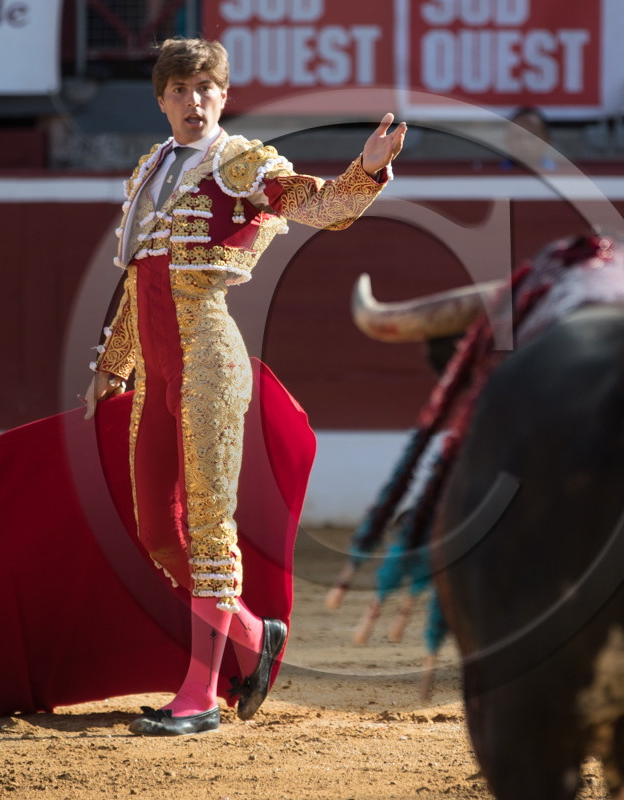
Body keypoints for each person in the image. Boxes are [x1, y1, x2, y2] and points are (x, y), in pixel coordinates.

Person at [82, 36, 405, 737]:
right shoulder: (149, 170)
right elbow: (140, 276)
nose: (192, 101)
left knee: (205, 527)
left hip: (209, 360)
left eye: (205, 88)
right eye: (178, 89)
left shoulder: (243, 162)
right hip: (158, 369)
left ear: (223, 96)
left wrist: (365, 172)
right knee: (154, 530)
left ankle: (198, 695)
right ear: (161, 99)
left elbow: (318, 207)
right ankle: (256, 640)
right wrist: (115, 363)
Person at [501, 105, 556, 171]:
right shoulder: (494, 175)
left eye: (532, 137)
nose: (524, 144)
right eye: (518, 136)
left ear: (546, 139)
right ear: (507, 140)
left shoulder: (562, 177)